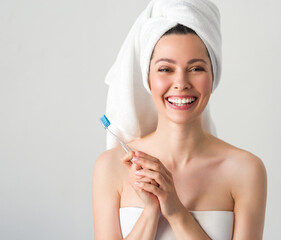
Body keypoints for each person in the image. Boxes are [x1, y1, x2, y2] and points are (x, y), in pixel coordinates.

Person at [93, 1, 267, 239]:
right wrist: (151, 210)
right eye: (165, 69)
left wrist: (175, 209)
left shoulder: (246, 170)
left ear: (213, 75)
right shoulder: (112, 167)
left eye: (196, 68)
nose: (181, 83)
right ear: (148, 78)